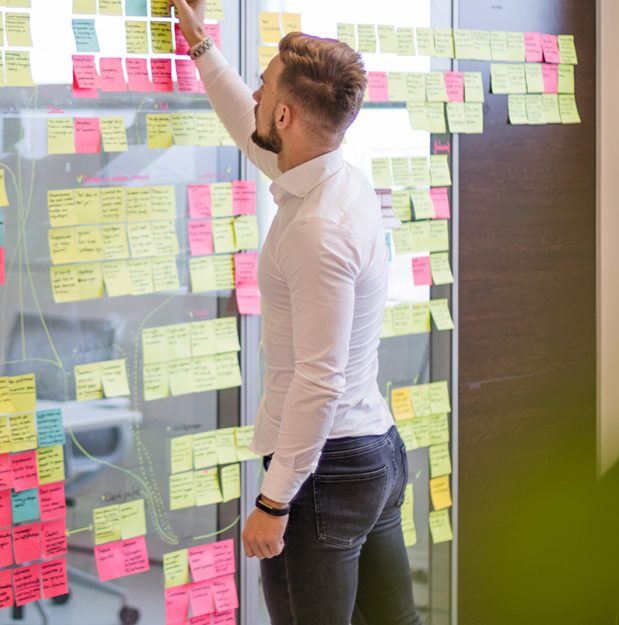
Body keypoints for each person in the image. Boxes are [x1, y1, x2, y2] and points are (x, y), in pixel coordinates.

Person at [170, 1, 421, 623]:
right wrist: (200, 43)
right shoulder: (333, 176)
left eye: (265, 86)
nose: (254, 93)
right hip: (371, 453)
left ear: (284, 114)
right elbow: (245, 125)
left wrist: (274, 502)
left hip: (325, 471)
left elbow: (318, 379)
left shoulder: (317, 229)